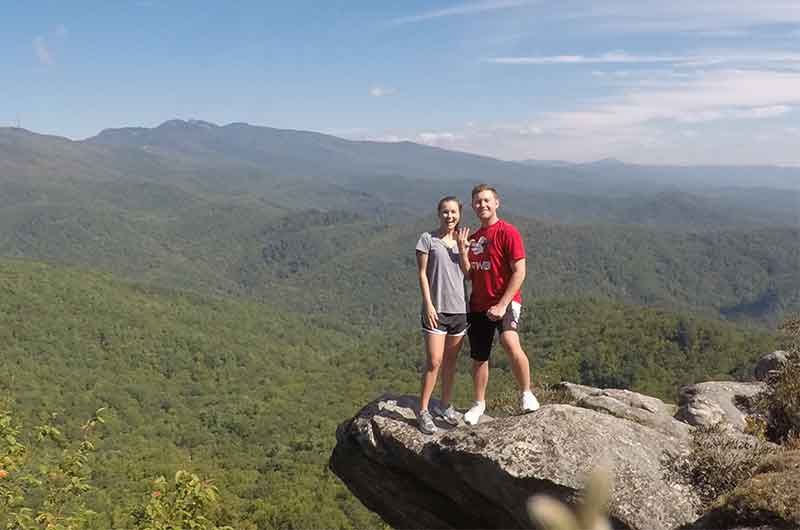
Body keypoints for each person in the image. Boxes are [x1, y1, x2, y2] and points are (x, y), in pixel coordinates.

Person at [458, 184, 539, 426]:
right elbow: (469, 275)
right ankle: (479, 403)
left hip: (506, 300)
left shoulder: (507, 232)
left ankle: (526, 393)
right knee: (479, 357)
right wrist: (463, 252)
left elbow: (520, 271)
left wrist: (503, 304)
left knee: (509, 341)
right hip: (479, 304)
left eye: (486, 200)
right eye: (477, 202)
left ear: (497, 203)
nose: (482, 205)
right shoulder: (473, 239)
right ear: (473, 206)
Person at [415, 196, 471, 434]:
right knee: (434, 362)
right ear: (439, 214)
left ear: (459, 215)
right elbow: (422, 274)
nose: (449, 216)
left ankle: (445, 406)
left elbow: (469, 276)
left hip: (459, 311)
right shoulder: (428, 239)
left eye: (453, 212)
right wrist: (428, 304)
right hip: (436, 310)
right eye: (445, 212)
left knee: (450, 362)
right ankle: (423, 411)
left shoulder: (464, 242)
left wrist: (462, 249)